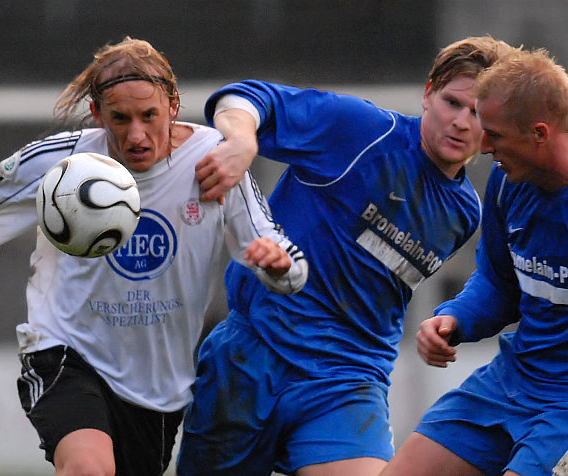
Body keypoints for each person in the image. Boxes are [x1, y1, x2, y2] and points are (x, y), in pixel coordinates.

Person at [0, 37, 308, 476]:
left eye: (149, 115)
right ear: (97, 114)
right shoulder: (64, 164)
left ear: (173, 106)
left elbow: (276, 250)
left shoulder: (214, 161)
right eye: (120, 118)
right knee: (89, 468)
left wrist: (280, 266)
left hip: (159, 386)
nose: (136, 134)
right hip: (66, 351)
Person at [176, 36, 516, 476]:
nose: (461, 123)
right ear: (429, 92)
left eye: (478, 113)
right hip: (251, 357)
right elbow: (246, 98)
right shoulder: (361, 130)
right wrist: (242, 141)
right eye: (453, 103)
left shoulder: (466, 212)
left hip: (345, 380)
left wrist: (450, 320)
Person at [383, 48, 568, 476]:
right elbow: (498, 284)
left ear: (539, 133)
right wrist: (455, 319)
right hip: (511, 382)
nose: (483, 146)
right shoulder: (509, 183)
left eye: (495, 134)